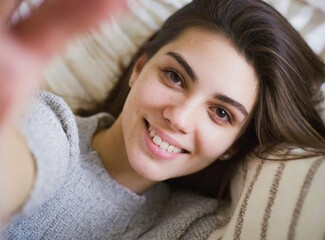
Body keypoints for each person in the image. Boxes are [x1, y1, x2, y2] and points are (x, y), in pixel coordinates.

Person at [1, 0, 324, 239]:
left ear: (233, 145)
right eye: (174, 76)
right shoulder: (51, 127)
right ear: (139, 69)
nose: (179, 117)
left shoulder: (195, 226)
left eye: (221, 113)